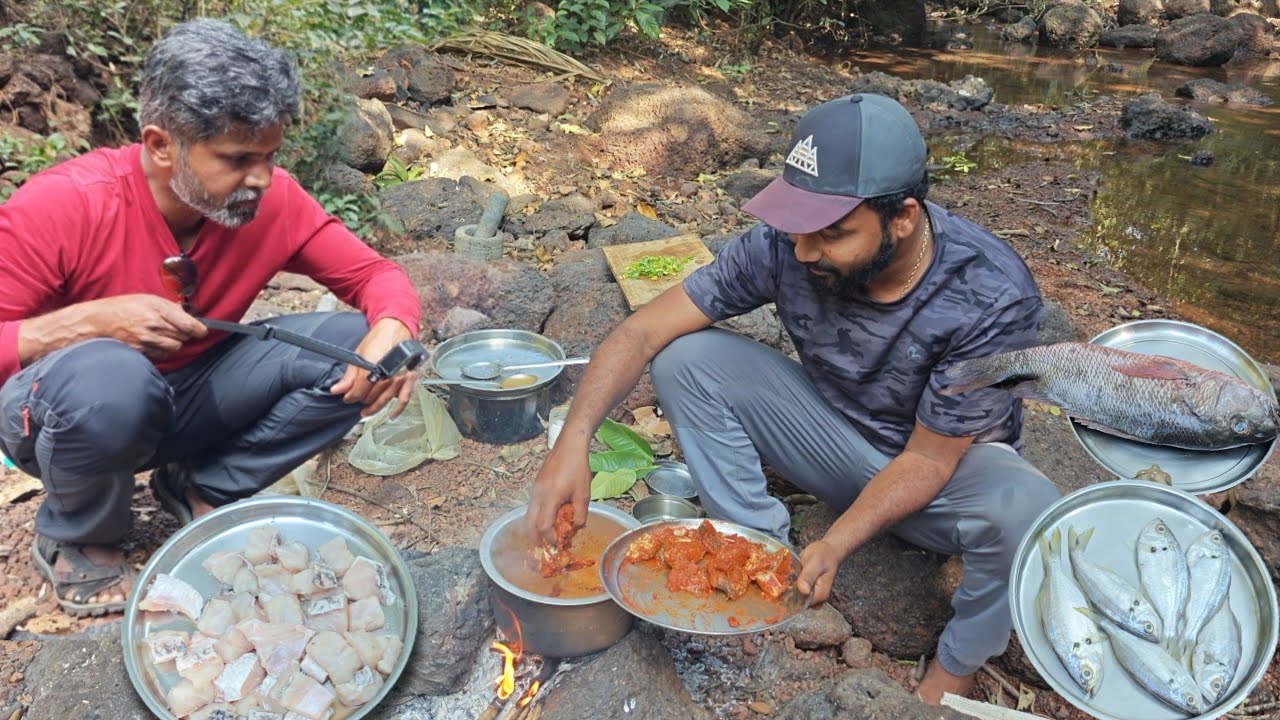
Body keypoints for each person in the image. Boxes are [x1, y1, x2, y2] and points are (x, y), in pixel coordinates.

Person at [525, 93, 1060, 704]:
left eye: (832, 234)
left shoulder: (990, 294)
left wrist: (835, 542)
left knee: (1027, 505)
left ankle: (956, 665)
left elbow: (929, 461)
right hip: (831, 439)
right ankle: (763, 556)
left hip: (940, 479)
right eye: (799, 228)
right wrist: (572, 442)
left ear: (904, 217)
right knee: (685, 358)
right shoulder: (787, 243)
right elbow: (644, 330)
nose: (804, 253)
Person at [0, 19, 422, 617]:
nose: (262, 178)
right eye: (238, 158)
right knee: (112, 380)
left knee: (359, 344)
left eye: (271, 155)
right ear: (160, 145)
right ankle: (79, 533)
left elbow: (377, 278)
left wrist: (394, 331)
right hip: (62, 417)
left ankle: (202, 486)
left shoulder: (270, 202)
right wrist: (87, 324)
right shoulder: (63, 206)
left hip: (189, 400)